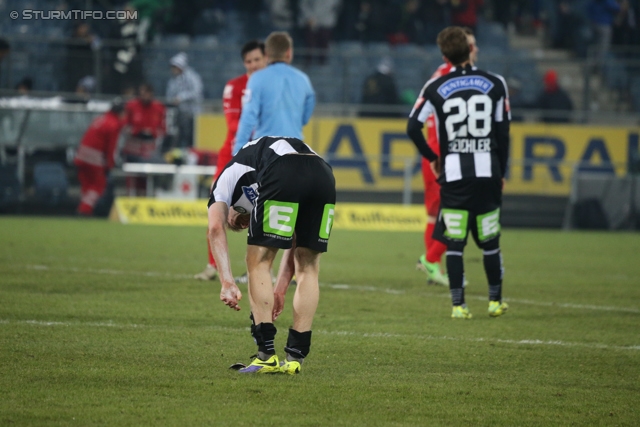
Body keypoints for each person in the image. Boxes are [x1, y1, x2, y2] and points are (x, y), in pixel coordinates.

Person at [208, 136, 336, 374]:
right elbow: (294, 239)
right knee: (308, 266)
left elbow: (215, 228)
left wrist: (226, 281)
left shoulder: (223, 182)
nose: (242, 224)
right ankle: (296, 357)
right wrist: (279, 288)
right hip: (323, 173)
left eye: (237, 222)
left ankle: (266, 355)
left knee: (258, 261)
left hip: (283, 169)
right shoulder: (256, 168)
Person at [407, 26, 510, 319]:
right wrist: (501, 169)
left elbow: (412, 127)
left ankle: (458, 305)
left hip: (452, 173)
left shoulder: (435, 86)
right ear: (470, 48)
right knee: (490, 242)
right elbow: (503, 134)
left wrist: (432, 158)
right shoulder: (496, 83)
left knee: (455, 243)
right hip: (488, 171)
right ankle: (494, 301)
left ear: (444, 54)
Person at [194, 40, 267, 281]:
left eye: (257, 59)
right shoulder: (235, 86)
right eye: (249, 61)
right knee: (218, 207)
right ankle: (212, 265)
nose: (253, 65)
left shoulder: (272, 86)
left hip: (263, 156)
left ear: (266, 59)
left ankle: (259, 268)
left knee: (265, 211)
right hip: (233, 155)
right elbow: (234, 125)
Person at [415, 27, 479, 287]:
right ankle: (432, 260)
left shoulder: (440, 78)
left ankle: (434, 266)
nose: (474, 50)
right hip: (444, 154)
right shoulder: (455, 79)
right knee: (458, 212)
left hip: (438, 153)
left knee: (438, 214)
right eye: (471, 46)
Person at [232, 31, 316, 155]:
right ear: (289, 52)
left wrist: (238, 150)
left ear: (266, 54)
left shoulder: (257, 79)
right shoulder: (303, 80)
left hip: (266, 149)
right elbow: (306, 114)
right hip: (294, 149)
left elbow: (248, 117)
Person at [74, 100, 125, 216]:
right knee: (98, 185)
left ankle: (84, 208)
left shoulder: (100, 119)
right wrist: (110, 164)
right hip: (94, 157)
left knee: (87, 184)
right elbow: (111, 147)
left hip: (81, 154)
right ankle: (84, 209)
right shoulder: (114, 124)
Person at [166, 52, 203, 148]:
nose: (173, 69)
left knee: (191, 137)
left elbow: (197, 92)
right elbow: (170, 94)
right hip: (179, 113)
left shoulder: (193, 77)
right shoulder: (173, 80)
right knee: (178, 135)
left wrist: (181, 97)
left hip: (192, 113)